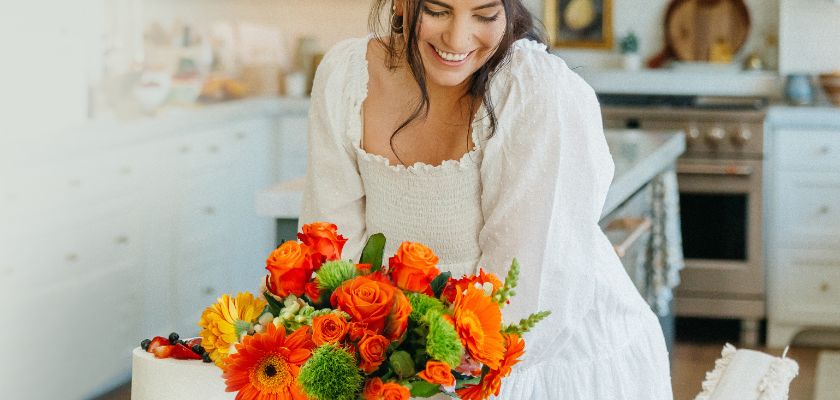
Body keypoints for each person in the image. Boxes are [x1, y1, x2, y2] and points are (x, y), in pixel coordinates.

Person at [298, 0, 673, 398]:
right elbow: (329, 249)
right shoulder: (345, 76)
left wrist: (426, 371)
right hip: (401, 366)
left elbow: (526, 299)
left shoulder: (537, 91)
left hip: (541, 364)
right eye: (437, 10)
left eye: (485, 15)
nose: (457, 38)